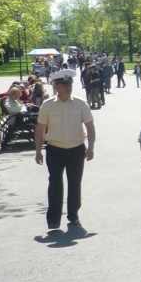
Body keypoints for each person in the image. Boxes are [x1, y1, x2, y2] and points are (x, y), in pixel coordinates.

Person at [34, 69, 95, 231]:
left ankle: (73, 214)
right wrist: (38, 151)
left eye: (70, 84)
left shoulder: (81, 103)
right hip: (55, 149)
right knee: (55, 183)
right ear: (56, 86)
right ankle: (53, 220)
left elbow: (90, 126)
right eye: (65, 85)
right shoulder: (47, 106)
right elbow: (40, 129)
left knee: (74, 183)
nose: (68, 87)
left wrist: (91, 148)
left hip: (76, 149)